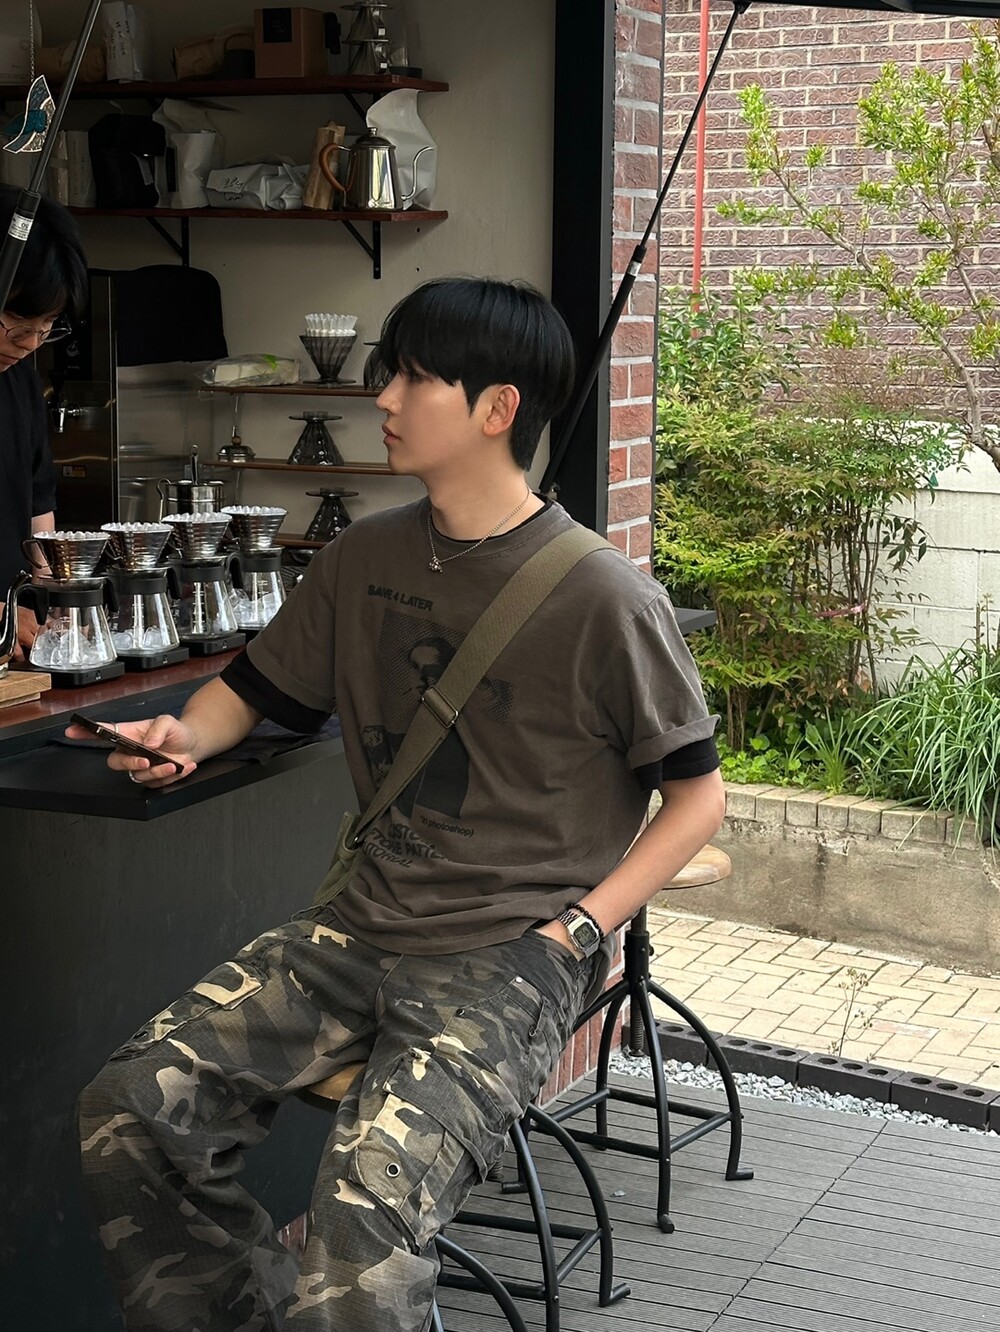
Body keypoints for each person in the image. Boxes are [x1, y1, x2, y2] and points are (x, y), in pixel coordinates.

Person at [73, 277, 726, 1332]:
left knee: (360, 1224)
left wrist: (578, 929)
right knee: (131, 1105)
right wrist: (184, 735)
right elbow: (254, 691)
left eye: (414, 378)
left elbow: (697, 800)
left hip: (506, 955)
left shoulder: (605, 597)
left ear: (497, 408)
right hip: (356, 927)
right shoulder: (363, 557)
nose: (383, 397)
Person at [0, 184, 87, 656]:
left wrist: (59, 608)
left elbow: (38, 512)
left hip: (13, 651)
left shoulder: (20, 384)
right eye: (18, 323)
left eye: (47, 327)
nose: (31, 343)